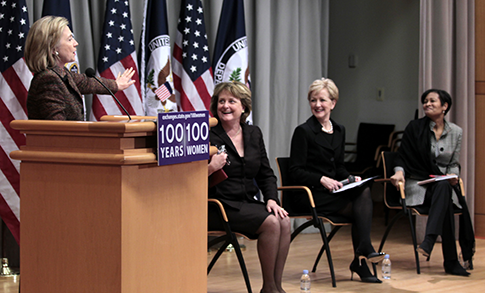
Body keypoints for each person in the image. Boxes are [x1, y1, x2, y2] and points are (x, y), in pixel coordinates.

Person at [289, 78, 384, 283]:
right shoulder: (303, 131)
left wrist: (350, 178)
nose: (317, 105)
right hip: (310, 194)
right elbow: (295, 171)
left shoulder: (339, 130)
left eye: (322, 100)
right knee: (359, 205)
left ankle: (361, 254)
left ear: (333, 103)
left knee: (363, 190)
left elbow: (339, 166)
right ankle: (362, 256)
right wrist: (321, 178)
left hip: (332, 192)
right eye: (313, 100)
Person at [208, 81, 291, 293]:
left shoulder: (253, 133)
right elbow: (188, 179)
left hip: (246, 202)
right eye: (221, 101)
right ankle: (269, 288)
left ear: (244, 107)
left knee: (283, 220)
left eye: (231, 101)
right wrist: (210, 167)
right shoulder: (208, 134)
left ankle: (277, 286)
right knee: (272, 224)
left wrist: (272, 199)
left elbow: (266, 173)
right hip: (219, 205)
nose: (225, 106)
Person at [390, 89, 475, 276]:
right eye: (425, 101)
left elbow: (453, 163)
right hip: (417, 185)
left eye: (432, 101)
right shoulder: (415, 127)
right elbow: (401, 157)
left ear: (444, 106)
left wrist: (452, 175)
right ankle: (449, 261)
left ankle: (429, 241)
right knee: (444, 196)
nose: (427, 104)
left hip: (440, 186)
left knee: (443, 187)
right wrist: (398, 173)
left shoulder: (456, 132)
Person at [24, 16, 135, 120]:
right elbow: (57, 129)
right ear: (53, 48)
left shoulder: (61, 74)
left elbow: (87, 82)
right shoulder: (48, 80)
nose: (75, 43)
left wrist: (116, 85)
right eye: (69, 39)